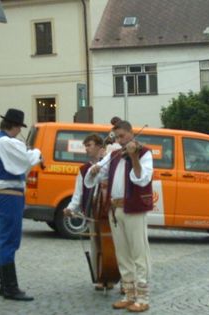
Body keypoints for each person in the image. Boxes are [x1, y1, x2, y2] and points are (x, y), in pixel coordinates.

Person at [85, 120, 153, 313]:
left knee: (139, 254)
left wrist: (134, 157)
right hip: (115, 210)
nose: (121, 141)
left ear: (131, 134)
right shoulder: (114, 155)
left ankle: (143, 297)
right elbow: (97, 176)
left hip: (134, 209)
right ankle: (128, 294)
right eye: (118, 137)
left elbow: (142, 178)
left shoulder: (144, 153)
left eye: (123, 136)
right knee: (122, 255)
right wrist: (95, 170)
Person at [0, 109, 41, 302]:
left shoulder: (3, 141)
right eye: (19, 127)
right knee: (9, 240)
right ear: (15, 126)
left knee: (4, 239)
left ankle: (5, 285)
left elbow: (21, 164)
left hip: (9, 194)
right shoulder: (5, 142)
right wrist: (36, 152)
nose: (19, 130)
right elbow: (27, 160)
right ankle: (9, 287)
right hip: (10, 194)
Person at [63, 134, 110, 290]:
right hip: (93, 212)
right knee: (96, 246)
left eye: (89, 145)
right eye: (86, 146)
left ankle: (119, 278)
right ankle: (101, 277)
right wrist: (70, 208)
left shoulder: (110, 164)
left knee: (114, 247)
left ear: (99, 147)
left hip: (108, 212)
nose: (87, 148)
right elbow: (78, 194)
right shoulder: (83, 170)